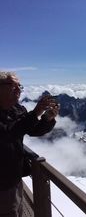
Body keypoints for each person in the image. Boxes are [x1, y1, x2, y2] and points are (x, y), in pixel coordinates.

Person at [0, 72, 58, 217]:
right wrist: (36, 112)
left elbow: (32, 130)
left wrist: (47, 119)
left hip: (15, 176)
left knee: (17, 209)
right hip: (2, 182)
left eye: (19, 86)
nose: (18, 89)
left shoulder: (17, 109)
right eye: (13, 86)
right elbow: (7, 135)